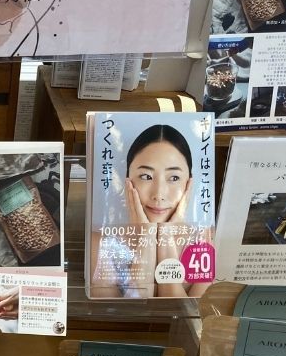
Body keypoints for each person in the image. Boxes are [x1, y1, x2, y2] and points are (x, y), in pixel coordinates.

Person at [88, 123, 210, 299]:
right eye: (146, 176)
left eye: (174, 177)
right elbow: (124, 313)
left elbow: (192, 316)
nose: (159, 194)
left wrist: (165, 241)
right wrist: (147, 238)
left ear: (188, 183)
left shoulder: (204, 242)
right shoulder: (102, 244)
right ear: (128, 180)